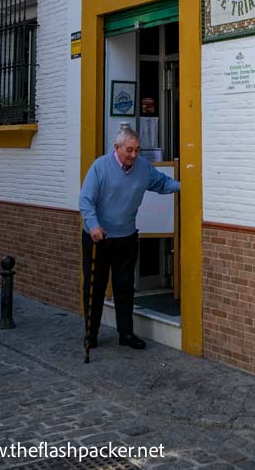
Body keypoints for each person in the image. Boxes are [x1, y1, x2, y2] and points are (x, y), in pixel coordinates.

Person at [79, 126, 181, 349]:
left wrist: (187, 187)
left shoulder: (143, 168)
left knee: (124, 287)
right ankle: (91, 333)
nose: (134, 155)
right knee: (95, 287)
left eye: (137, 150)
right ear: (116, 148)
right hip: (99, 237)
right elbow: (85, 200)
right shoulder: (100, 167)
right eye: (129, 150)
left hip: (126, 236)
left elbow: (162, 183)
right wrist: (94, 225)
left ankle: (125, 334)